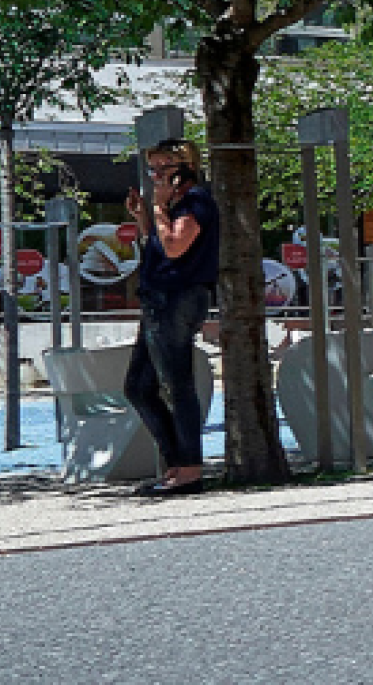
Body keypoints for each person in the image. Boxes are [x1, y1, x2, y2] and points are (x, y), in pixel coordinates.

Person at [124, 137, 219, 496]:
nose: (157, 176)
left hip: (177, 298)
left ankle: (189, 469)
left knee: (177, 385)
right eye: (153, 169)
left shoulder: (196, 202)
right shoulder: (178, 204)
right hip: (158, 297)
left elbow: (177, 247)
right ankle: (176, 464)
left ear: (185, 168)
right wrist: (146, 218)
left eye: (164, 168)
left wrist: (160, 209)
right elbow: (162, 245)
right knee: (138, 386)